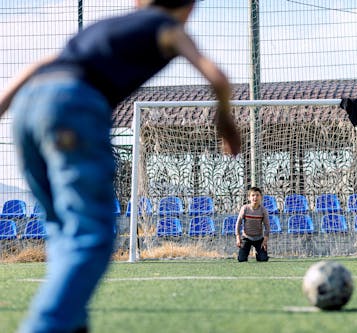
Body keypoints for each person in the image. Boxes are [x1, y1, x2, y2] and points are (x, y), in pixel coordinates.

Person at [0, 0, 241, 332]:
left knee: (60, 226)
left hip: (28, 107)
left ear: (138, 2)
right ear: (190, 8)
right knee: (91, 234)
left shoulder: (104, 27)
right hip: (75, 105)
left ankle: (73, 323)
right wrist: (225, 122)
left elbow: (40, 64)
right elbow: (218, 77)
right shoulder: (169, 29)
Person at [235, 187, 271, 262]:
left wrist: (265, 240)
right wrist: (238, 237)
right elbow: (238, 223)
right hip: (246, 237)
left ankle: (259, 253)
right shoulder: (245, 208)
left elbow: (267, 226)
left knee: (263, 259)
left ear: (261, 197)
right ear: (249, 198)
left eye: (257, 195)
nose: (255, 197)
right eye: (253, 195)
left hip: (259, 238)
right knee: (241, 259)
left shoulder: (263, 210)